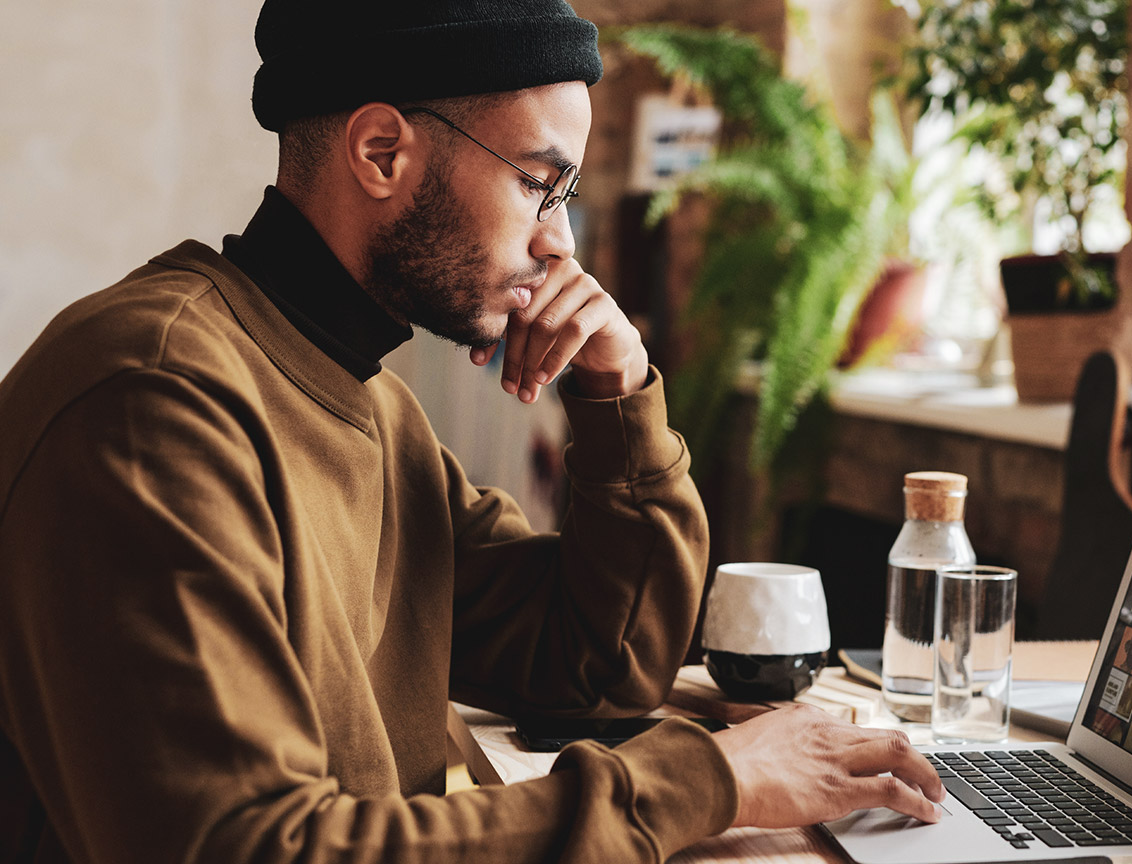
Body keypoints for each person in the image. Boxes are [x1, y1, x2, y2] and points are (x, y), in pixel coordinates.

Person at [0, 2, 943, 861]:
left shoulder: (371, 406)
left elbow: (596, 669)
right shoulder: (154, 401)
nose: (561, 241)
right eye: (539, 182)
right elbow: (248, 848)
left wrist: (618, 394)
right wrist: (720, 779)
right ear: (380, 153)